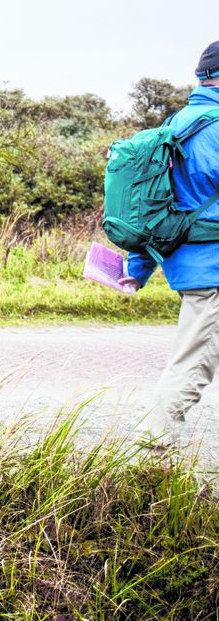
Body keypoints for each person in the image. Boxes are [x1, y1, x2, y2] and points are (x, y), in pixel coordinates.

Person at [120, 41, 219, 447]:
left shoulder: (178, 124)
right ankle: (149, 451)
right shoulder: (214, 128)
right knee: (192, 362)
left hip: (189, 264)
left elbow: (154, 206)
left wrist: (136, 267)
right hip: (211, 269)